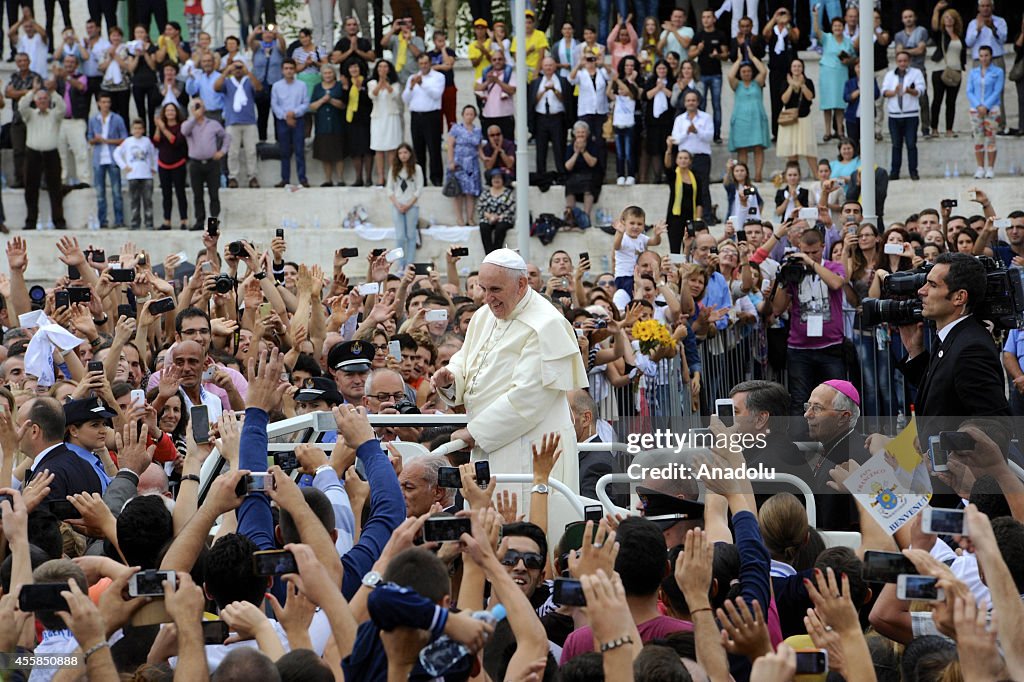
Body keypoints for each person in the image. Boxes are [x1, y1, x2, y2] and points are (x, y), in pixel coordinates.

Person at [431, 247, 588, 500]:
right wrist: (450, 379)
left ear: (522, 284)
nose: (487, 298)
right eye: (483, 289)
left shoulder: (546, 324)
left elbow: (529, 397)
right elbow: (465, 359)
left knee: (527, 528)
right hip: (489, 442)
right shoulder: (484, 316)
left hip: (530, 445)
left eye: (495, 290)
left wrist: (475, 432)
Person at [896, 252, 1010, 442]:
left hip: (954, 469)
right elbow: (943, 392)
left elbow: (996, 426)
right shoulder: (952, 336)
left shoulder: (972, 349)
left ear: (959, 297)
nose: (921, 291)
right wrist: (915, 353)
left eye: (932, 285)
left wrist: (943, 450)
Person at [769, 226, 847, 415]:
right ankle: (801, 444)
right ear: (798, 248)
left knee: (836, 399)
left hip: (831, 346)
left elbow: (836, 283)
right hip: (799, 349)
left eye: (814, 252)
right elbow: (777, 309)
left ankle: (838, 440)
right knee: (800, 400)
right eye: (805, 252)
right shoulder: (794, 271)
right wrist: (782, 279)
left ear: (823, 246)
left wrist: (811, 263)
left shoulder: (833, 267)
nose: (810, 255)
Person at [21, 86, 66, 230]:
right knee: (30, 189)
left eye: (45, 99)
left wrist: (53, 91)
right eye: (39, 99)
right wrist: (32, 92)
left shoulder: (55, 115)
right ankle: (31, 221)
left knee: (56, 189)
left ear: (49, 101)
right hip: (33, 153)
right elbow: (22, 106)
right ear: (35, 100)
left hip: (51, 153)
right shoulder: (30, 114)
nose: (42, 101)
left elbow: (62, 107)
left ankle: (58, 221)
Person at [181, 98, 228, 232]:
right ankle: (199, 220)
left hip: (212, 163)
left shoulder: (213, 124)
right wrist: (194, 118)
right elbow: (184, 132)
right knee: (197, 194)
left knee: (214, 193)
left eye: (199, 106)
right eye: (195, 106)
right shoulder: (188, 124)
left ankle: (214, 221)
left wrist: (222, 151)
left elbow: (226, 137)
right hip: (195, 163)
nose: (197, 108)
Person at [215, 58, 261, 188]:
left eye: (240, 67)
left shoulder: (249, 81)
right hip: (232, 121)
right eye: (236, 68)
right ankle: (233, 177)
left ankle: (252, 176)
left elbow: (258, 88)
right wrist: (226, 72)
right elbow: (216, 87)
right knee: (232, 151)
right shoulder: (228, 82)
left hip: (249, 121)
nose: (238, 70)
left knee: (251, 151)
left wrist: (248, 72)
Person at [402, 52, 445, 187]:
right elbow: (405, 99)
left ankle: (436, 178)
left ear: (430, 63)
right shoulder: (412, 78)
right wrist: (411, 87)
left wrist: (422, 85)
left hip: (432, 115)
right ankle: (420, 179)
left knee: (434, 148)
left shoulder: (439, 77)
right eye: (421, 64)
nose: (423, 66)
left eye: (426, 63)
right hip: (416, 116)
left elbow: (436, 94)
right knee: (418, 149)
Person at [882, 51, 926, 181]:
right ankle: (895, 172)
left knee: (911, 144)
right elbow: (883, 92)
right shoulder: (890, 75)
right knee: (896, 144)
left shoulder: (916, 73)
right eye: (900, 61)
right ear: (896, 62)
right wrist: (894, 92)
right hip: (894, 115)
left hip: (911, 114)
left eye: (905, 61)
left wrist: (908, 90)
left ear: (909, 61)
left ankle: (913, 171)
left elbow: (921, 91)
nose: (902, 63)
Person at [726, 53, 770, 182]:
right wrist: (739, 60)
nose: (746, 73)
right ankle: (743, 176)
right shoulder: (737, 85)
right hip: (741, 120)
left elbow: (763, 70)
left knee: (758, 147)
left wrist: (752, 57)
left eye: (748, 71)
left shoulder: (757, 83)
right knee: (742, 149)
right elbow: (730, 75)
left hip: (756, 119)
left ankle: (758, 174)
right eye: (743, 71)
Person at [670, 90, 713, 222]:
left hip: (701, 157)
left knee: (703, 187)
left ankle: (706, 217)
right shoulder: (679, 119)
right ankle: (685, 216)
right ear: (685, 103)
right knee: (684, 187)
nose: (691, 103)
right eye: (688, 100)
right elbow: (675, 139)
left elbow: (710, 137)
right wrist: (687, 132)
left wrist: (697, 131)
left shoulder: (706, 117)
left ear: (698, 102)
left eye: (693, 100)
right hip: (684, 159)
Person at [50, 54, 91, 190]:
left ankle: (84, 179)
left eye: (72, 62)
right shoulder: (59, 78)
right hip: (60, 121)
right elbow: (49, 89)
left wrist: (66, 77)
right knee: (61, 152)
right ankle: (62, 180)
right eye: (67, 62)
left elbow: (80, 87)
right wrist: (55, 76)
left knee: (80, 151)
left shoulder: (81, 77)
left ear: (76, 65)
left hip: (76, 120)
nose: (69, 65)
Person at [87, 92, 127, 229]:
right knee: (100, 193)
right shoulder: (93, 120)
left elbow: (124, 138)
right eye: (103, 102)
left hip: (113, 157)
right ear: (98, 103)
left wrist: (106, 141)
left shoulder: (117, 119)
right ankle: (102, 220)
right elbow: (89, 138)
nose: (105, 105)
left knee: (116, 192)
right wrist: (95, 140)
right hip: (99, 159)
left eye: (107, 102)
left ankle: (119, 220)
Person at [812, 12, 852, 143]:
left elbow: (853, 57)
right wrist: (816, 17)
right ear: (832, 27)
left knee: (840, 104)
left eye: (840, 26)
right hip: (827, 73)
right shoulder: (827, 38)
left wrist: (848, 60)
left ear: (843, 27)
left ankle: (840, 131)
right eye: (835, 26)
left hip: (841, 72)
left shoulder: (848, 41)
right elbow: (817, 31)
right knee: (828, 104)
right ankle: (827, 131)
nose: (837, 28)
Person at [270, 58, 309, 188]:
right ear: (282, 70)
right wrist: (286, 116)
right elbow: (274, 105)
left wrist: (294, 113)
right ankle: (285, 179)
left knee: (299, 150)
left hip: (298, 120)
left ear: (295, 70)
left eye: (291, 68)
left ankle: (302, 179)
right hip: (282, 121)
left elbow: (305, 103)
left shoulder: (302, 85)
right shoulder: (276, 86)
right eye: (286, 68)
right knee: (284, 151)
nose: (289, 71)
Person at [966, 45, 1004, 179]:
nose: (984, 58)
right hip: (975, 110)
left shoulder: (998, 71)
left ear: (991, 56)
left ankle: (990, 168)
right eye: (981, 56)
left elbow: (997, 90)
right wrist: (978, 105)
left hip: (992, 109)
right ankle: (980, 167)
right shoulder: (973, 72)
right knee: (978, 138)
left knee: (991, 138)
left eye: (986, 55)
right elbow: (969, 91)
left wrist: (986, 106)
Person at [114, 118, 158, 231]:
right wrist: (124, 166)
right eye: (135, 128)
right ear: (131, 130)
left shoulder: (147, 141)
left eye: (140, 128)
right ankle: (135, 223)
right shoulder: (128, 141)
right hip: (133, 175)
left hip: (146, 175)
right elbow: (116, 153)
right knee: (134, 200)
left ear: (143, 130)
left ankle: (149, 223)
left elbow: (154, 154)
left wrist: (154, 167)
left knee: (147, 200)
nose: (137, 131)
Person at [762, 7, 800, 141]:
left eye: (784, 14)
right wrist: (774, 18)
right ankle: (776, 132)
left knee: (792, 100)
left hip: (789, 71)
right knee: (776, 101)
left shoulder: (791, 28)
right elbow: (765, 34)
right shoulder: (773, 30)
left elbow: (795, 38)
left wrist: (788, 24)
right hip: (775, 71)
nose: (782, 17)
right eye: (780, 14)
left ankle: (792, 128)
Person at [6, 52, 42, 190]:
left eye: (24, 60)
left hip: (32, 119)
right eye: (19, 61)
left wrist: (18, 92)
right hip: (17, 119)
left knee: (34, 151)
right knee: (18, 151)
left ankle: (35, 179)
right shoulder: (13, 77)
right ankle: (19, 179)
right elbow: (8, 93)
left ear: (29, 61)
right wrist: (28, 91)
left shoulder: (36, 77)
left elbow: (38, 95)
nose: (22, 63)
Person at [894, 8, 931, 138]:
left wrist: (905, 51)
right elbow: (898, 53)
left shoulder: (921, 31)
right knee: (903, 97)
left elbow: (921, 50)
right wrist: (910, 51)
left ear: (914, 18)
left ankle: (926, 127)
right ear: (902, 20)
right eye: (905, 17)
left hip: (919, 69)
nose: (908, 19)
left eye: (910, 16)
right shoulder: (899, 35)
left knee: (923, 99)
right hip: (903, 71)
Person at [691, 9, 727, 144]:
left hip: (716, 74)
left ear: (714, 19)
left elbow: (726, 54)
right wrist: (698, 49)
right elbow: (690, 54)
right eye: (703, 17)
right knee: (701, 104)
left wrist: (718, 55)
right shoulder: (698, 35)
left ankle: (717, 135)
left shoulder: (720, 34)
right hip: (701, 74)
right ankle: (700, 132)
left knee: (717, 104)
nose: (705, 20)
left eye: (708, 17)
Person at [530, 56, 569, 176]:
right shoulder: (536, 82)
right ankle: (541, 175)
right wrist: (544, 91)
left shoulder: (562, 81)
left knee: (559, 148)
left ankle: (562, 175)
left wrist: (554, 90)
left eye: (550, 65)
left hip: (557, 118)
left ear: (555, 67)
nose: (548, 68)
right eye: (546, 65)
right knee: (541, 149)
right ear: (542, 67)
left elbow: (565, 100)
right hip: (541, 118)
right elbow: (532, 101)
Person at [386, 143, 424, 269]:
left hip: (411, 206)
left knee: (411, 235)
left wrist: (408, 204)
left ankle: (410, 263)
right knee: (400, 236)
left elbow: (418, 189)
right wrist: (397, 204)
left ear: (410, 154)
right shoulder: (394, 168)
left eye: (405, 152)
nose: (403, 155)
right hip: (397, 205)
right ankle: (400, 263)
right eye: (400, 153)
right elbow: (389, 189)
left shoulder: (416, 168)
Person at [930, 6, 965, 139]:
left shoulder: (959, 36)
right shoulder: (941, 35)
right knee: (937, 100)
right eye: (946, 17)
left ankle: (949, 129)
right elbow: (934, 28)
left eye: (951, 17)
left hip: (955, 71)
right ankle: (934, 128)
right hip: (940, 70)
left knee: (951, 102)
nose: (949, 20)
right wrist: (936, 11)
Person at [153, 101, 188, 230]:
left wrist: (163, 128)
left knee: (180, 193)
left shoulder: (181, 126)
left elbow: (175, 141)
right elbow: (156, 142)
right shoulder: (161, 126)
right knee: (166, 195)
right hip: (163, 163)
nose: (170, 113)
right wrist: (158, 127)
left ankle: (184, 220)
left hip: (178, 163)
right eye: (167, 111)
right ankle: (167, 221)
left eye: (172, 110)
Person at [446, 104, 483, 226]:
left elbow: (479, 147)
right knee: (458, 191)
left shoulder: (477, 130)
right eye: (467, 114)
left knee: (470, 192)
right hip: (458, 162)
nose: (469, 116)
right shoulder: (456, 129)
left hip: (472, 163)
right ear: (463, 115)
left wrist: (484, 158)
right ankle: (459, 218)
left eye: (471, 114)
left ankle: (470, 218)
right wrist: (451, 161)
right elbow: (450, 145)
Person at [309, 63, 344, 187]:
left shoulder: (339, 86)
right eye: (325, 73)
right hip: (322, 125)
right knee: (325, 154)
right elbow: (312, 106)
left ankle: (340, 179)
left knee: (339, 154)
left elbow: (343, 105)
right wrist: (322, 101)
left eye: (330, 73)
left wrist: (331, 100)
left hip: (337, 124)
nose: (328, 75)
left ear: (334, 74)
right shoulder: (317, 87)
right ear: (322, 75)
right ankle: (328, 179)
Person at [368, 59, 402, 187]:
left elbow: (394, 95)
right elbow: (373, 95)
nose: (382, 69)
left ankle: (392, 176)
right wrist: (380, 83)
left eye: (385, 67)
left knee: (392, 148)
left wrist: (386, 83)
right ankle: (381, 177)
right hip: (378, 117)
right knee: (379, 148)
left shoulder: (395, 83)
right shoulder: (372, 83)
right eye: (380, 67)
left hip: (391, 117)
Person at [249, 24, 286, 142]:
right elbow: (250, 42)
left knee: (277, 114)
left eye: (270, 33)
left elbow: (284, 46)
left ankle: (279, 141)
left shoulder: (277, 46)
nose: (268, 35)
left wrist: (278, 33)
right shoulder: (258, 47)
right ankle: (262, 140)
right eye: (265, 33)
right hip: (260, 84)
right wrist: (255, 33)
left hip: (275, 84)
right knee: (262, 114)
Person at [340, 59, 373, 188]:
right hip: (351, 120)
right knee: (355, 150)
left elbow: (369, 101)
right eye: (351, 68)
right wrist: (345, 88)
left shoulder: (367, 82)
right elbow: (343, 102)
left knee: (367, 149)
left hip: (365, 119)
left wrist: (360, 89)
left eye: (356, 67)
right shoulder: (347, 83)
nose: (353, 70)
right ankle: (358, 178)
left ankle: (369, 178)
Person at [662, 146, 701, 253]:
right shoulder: (674, 176)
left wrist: (698, 221)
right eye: (680, 158)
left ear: (690, 161)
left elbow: (699, 200)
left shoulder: (696, 178)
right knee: (675, 250)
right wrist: (669, 149)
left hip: (690, 219)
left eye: (685, 158)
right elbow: (667, 166)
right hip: (675, 219)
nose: (683, 160)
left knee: (689, 250)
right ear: (676, 160)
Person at [641, 59, 673, 183]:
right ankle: (657, 175)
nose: (661, 71)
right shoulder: (650, 81)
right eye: (659, 68)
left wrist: (663, 88)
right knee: (654, 149)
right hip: (652, 122)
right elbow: (645, 96)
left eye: (664, 68)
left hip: (667, 122)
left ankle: (666, 175)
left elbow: (672, 96)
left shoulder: (671, 82)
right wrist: (657, 88)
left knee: (665, 148)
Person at [564, 120, 602, 224]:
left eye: (583, 132)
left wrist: (583, 151)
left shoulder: (593, 146)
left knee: (588, 186)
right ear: (574, 134)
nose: (580, 135)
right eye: (578, 132)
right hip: (575, 175)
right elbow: (567, 166)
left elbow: (593, 163)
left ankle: (585, 217)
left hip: (590, 175)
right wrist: (576, 153)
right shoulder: (570, 147)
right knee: (569, 185)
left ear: (587, 133)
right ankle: (570, 216)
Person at [475, 48, 516, 142]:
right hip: (488, 116)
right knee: (489, 147)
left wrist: (497, 81)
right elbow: (476, 88)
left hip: (505, 116)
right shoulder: (486, 74)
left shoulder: (510, 75)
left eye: (500, 59)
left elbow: (512, 90)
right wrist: (488, 82)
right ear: (491, 61)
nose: (497, 61)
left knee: (508, 145)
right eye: (494, 59)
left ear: (504, 60)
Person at [478, 168, 513, 254]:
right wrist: (490, 216)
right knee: (484, 226)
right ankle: (489, 255)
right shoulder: (485, 192)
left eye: (499, 178)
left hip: (503, 218)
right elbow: (480, 208)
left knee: (500, 228)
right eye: (494, 178)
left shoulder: (508, 192)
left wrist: (498, 217)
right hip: (488, 218)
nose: (496, 180)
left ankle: (497, 254)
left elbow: (511, 209)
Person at [427, 30, 457, 131]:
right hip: (435, 89)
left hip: (449, 87)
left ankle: (452, 139)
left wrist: (443, 50)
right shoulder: (429, 55)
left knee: (451, 116)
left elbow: (448, 65)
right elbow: (427, 69)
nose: (442, 43)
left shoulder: (449, 52)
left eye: (444, 41)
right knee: (437, 117)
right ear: (434, 41)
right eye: (439, 41)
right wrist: (441, 67)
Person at [383, 16, 425, 85]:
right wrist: (393, 29)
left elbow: (420, 56)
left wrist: (408, 41)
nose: (407, 25)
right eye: (404, 23)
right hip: (396, 77)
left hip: (412, 77)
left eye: (409, 22)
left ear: (412, 26)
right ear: (400, 25)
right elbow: (383, 43)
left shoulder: (418, 40)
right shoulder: (395, 38)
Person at [510, 9, 548, 83]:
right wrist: (528, 51)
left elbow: (541, 56)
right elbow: (516, 58)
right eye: (525, 23)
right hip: (522, 72)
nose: (527, 25)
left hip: (537, 71)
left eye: (529, 23)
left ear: (533, 23)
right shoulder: (517, 38)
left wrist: (536, 72)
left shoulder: (540, 35)